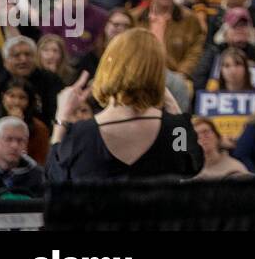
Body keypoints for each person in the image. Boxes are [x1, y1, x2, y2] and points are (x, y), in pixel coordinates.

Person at [45, 29, 204, 182]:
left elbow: (55, 177)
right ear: (157, 72)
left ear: (109, 66)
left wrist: (62, 119)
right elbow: (190, 164)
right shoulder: (175, 129)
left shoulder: (81, 134)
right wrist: (174, 109)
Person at [132, 0, 206, 85]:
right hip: (139, 75)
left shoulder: (190, 19)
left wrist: (182, 74)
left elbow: (195, 51)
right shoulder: (135, 17)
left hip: (176, 77)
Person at [0, 37, 63, 127]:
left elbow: (58, 115)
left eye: (28, 55)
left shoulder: (51, 81)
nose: (23, 60)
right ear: (5, 61)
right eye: (16, 55)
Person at [0, 77, 51, 164]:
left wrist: (20, 125)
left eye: (22, 97)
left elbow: (41, 163)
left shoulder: (40, 129)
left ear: (29, 101)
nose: (16, 102)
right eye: (11, 96)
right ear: (3, 98)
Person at [0, 115, 45, 199]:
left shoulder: (38, 177)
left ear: (26, 144)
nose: (14, 146)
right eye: (8, 139)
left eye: (20, 140)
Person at [191, 115, 251, 180]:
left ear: (217, 137)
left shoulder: (235, 169)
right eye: (196, 135)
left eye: (206, 132)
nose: (202, 137)